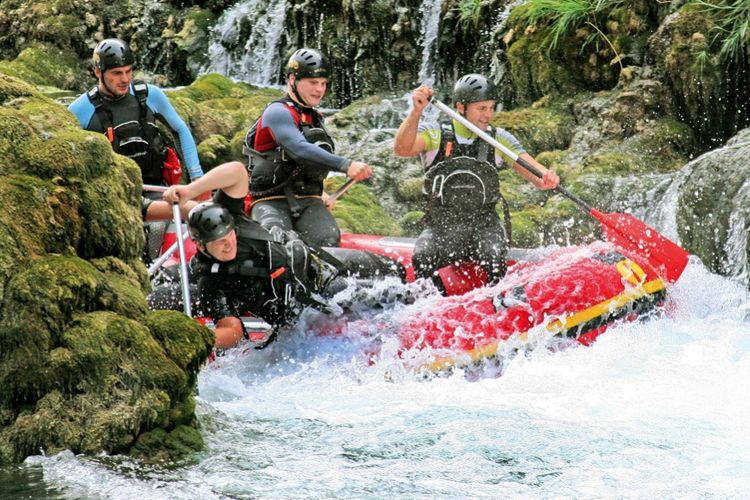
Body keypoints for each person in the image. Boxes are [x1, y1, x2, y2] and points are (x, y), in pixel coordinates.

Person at [163, 162, 403, 349]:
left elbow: (236, 171)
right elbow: (232, 330)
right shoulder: (211, 281)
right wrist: (199, 339)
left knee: (395, 270)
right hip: (310, 301)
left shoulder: (232, 217)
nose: (228, 246)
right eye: (218, 243)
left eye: (229, 237)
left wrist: (190, 190)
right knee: (390, 298)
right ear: (202, 247)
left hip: (316, 262)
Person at [393, 74, 560, 285]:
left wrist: (547, 177)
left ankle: (498, 304)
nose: (488, 115)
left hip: (485, 226)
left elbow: (535, 173)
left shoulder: (498, 138)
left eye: (491, 108)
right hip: (442, 227)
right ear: (460, 107)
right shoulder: (435, 134)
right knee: (423, 257)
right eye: (482, 108)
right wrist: (416, 112)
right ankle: (434, 306)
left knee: (494, 255)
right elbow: (401, 149)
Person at [244, 48, 372, 248]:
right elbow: (299, 149)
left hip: (309, 201)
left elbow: (309, 163)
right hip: (270, 201)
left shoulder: (314, 118)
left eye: (323, 83)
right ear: (293, 80)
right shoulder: (277, 112)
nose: (319, 89)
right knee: (277, 244)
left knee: (328, 241)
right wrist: (346, 165)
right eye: (313, 83)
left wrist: (321, 194)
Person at [68, 38, 204, 194]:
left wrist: (197, 178)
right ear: (98, 72)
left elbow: (180, 129)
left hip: (159, 190)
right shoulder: (79, 109)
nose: (125, 79)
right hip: (114, 197)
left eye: (128, 71)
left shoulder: (149, 95)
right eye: (117, 73)